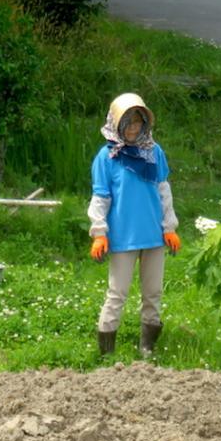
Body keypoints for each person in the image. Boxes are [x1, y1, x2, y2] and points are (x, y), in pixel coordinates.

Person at [87, 93, 181, 358]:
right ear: (116, 124)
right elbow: (101, 197)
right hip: (123, 237)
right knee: (117, 293)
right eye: (127, 122)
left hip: (153, 236)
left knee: (153, 293)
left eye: (137, 122)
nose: (132, 128)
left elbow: (163, 190)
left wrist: (169, 227)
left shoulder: (154, 152)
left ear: (144, 124)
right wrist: (99, 233)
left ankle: (147, 348)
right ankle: (107, 354)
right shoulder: (107, 158)